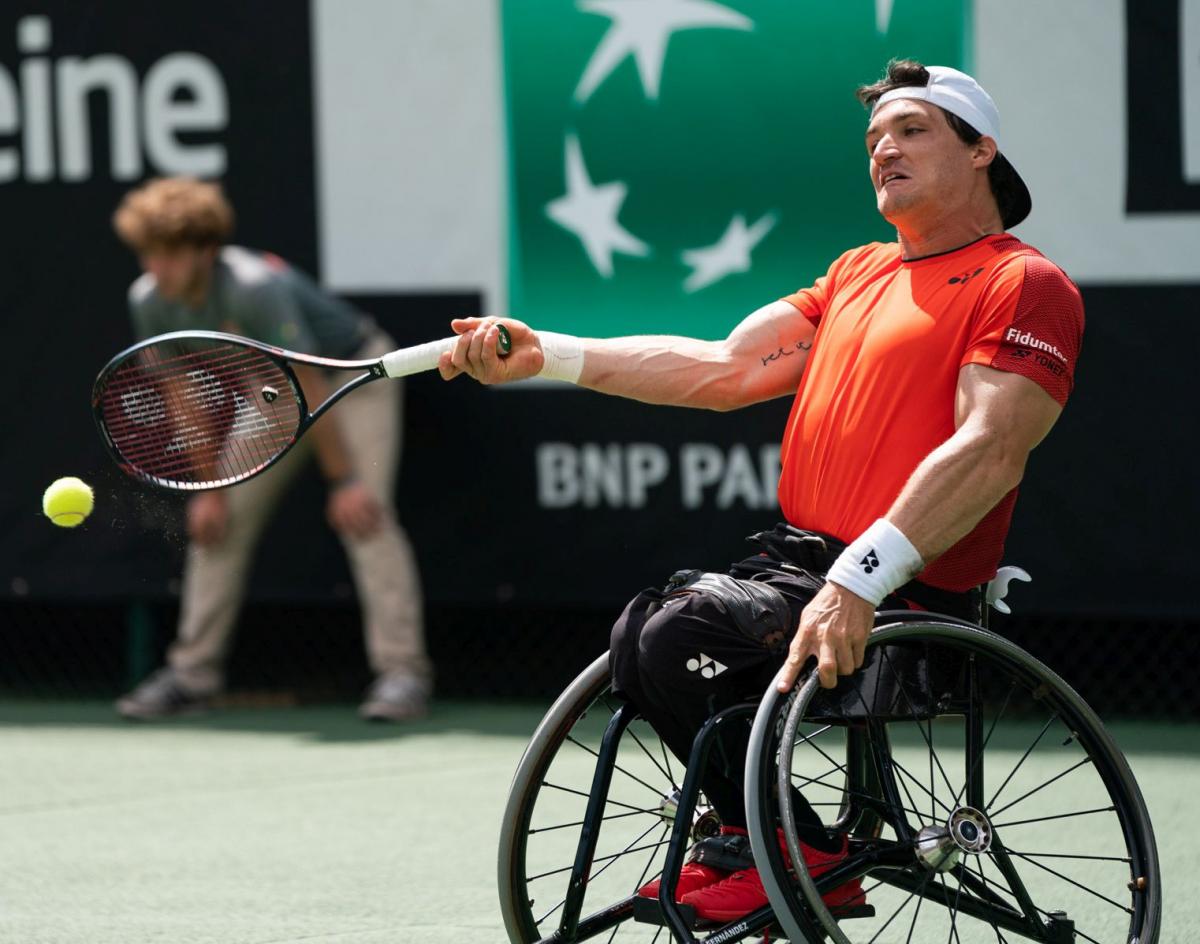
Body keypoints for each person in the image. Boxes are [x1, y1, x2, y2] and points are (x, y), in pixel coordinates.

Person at [440, 60, 1083, 921]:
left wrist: (861, 579)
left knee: (680, 635)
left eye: (913, 130)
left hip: (903, 587)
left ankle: (797, 851)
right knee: (643, 630)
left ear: (982, 151)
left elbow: (991, 449)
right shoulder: (857, 273)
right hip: (802, 567)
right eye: (873, 139)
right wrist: (546, 354)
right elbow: (723, 366)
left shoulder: (1025, 285)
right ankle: (761, 836)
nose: (884, 149)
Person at [111, 177, 431, 723]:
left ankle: (403, 674)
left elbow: (311, 379)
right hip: (276, 389)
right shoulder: (149, 300)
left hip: (355, 376)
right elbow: (181, 393)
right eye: (148, 255)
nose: (155, 268)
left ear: (206, 251)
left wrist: (345, 480)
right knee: (221, 517)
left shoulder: (255, 287)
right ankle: (192, 676)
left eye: (169, 255)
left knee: (365, 516)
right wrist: (209, 485)